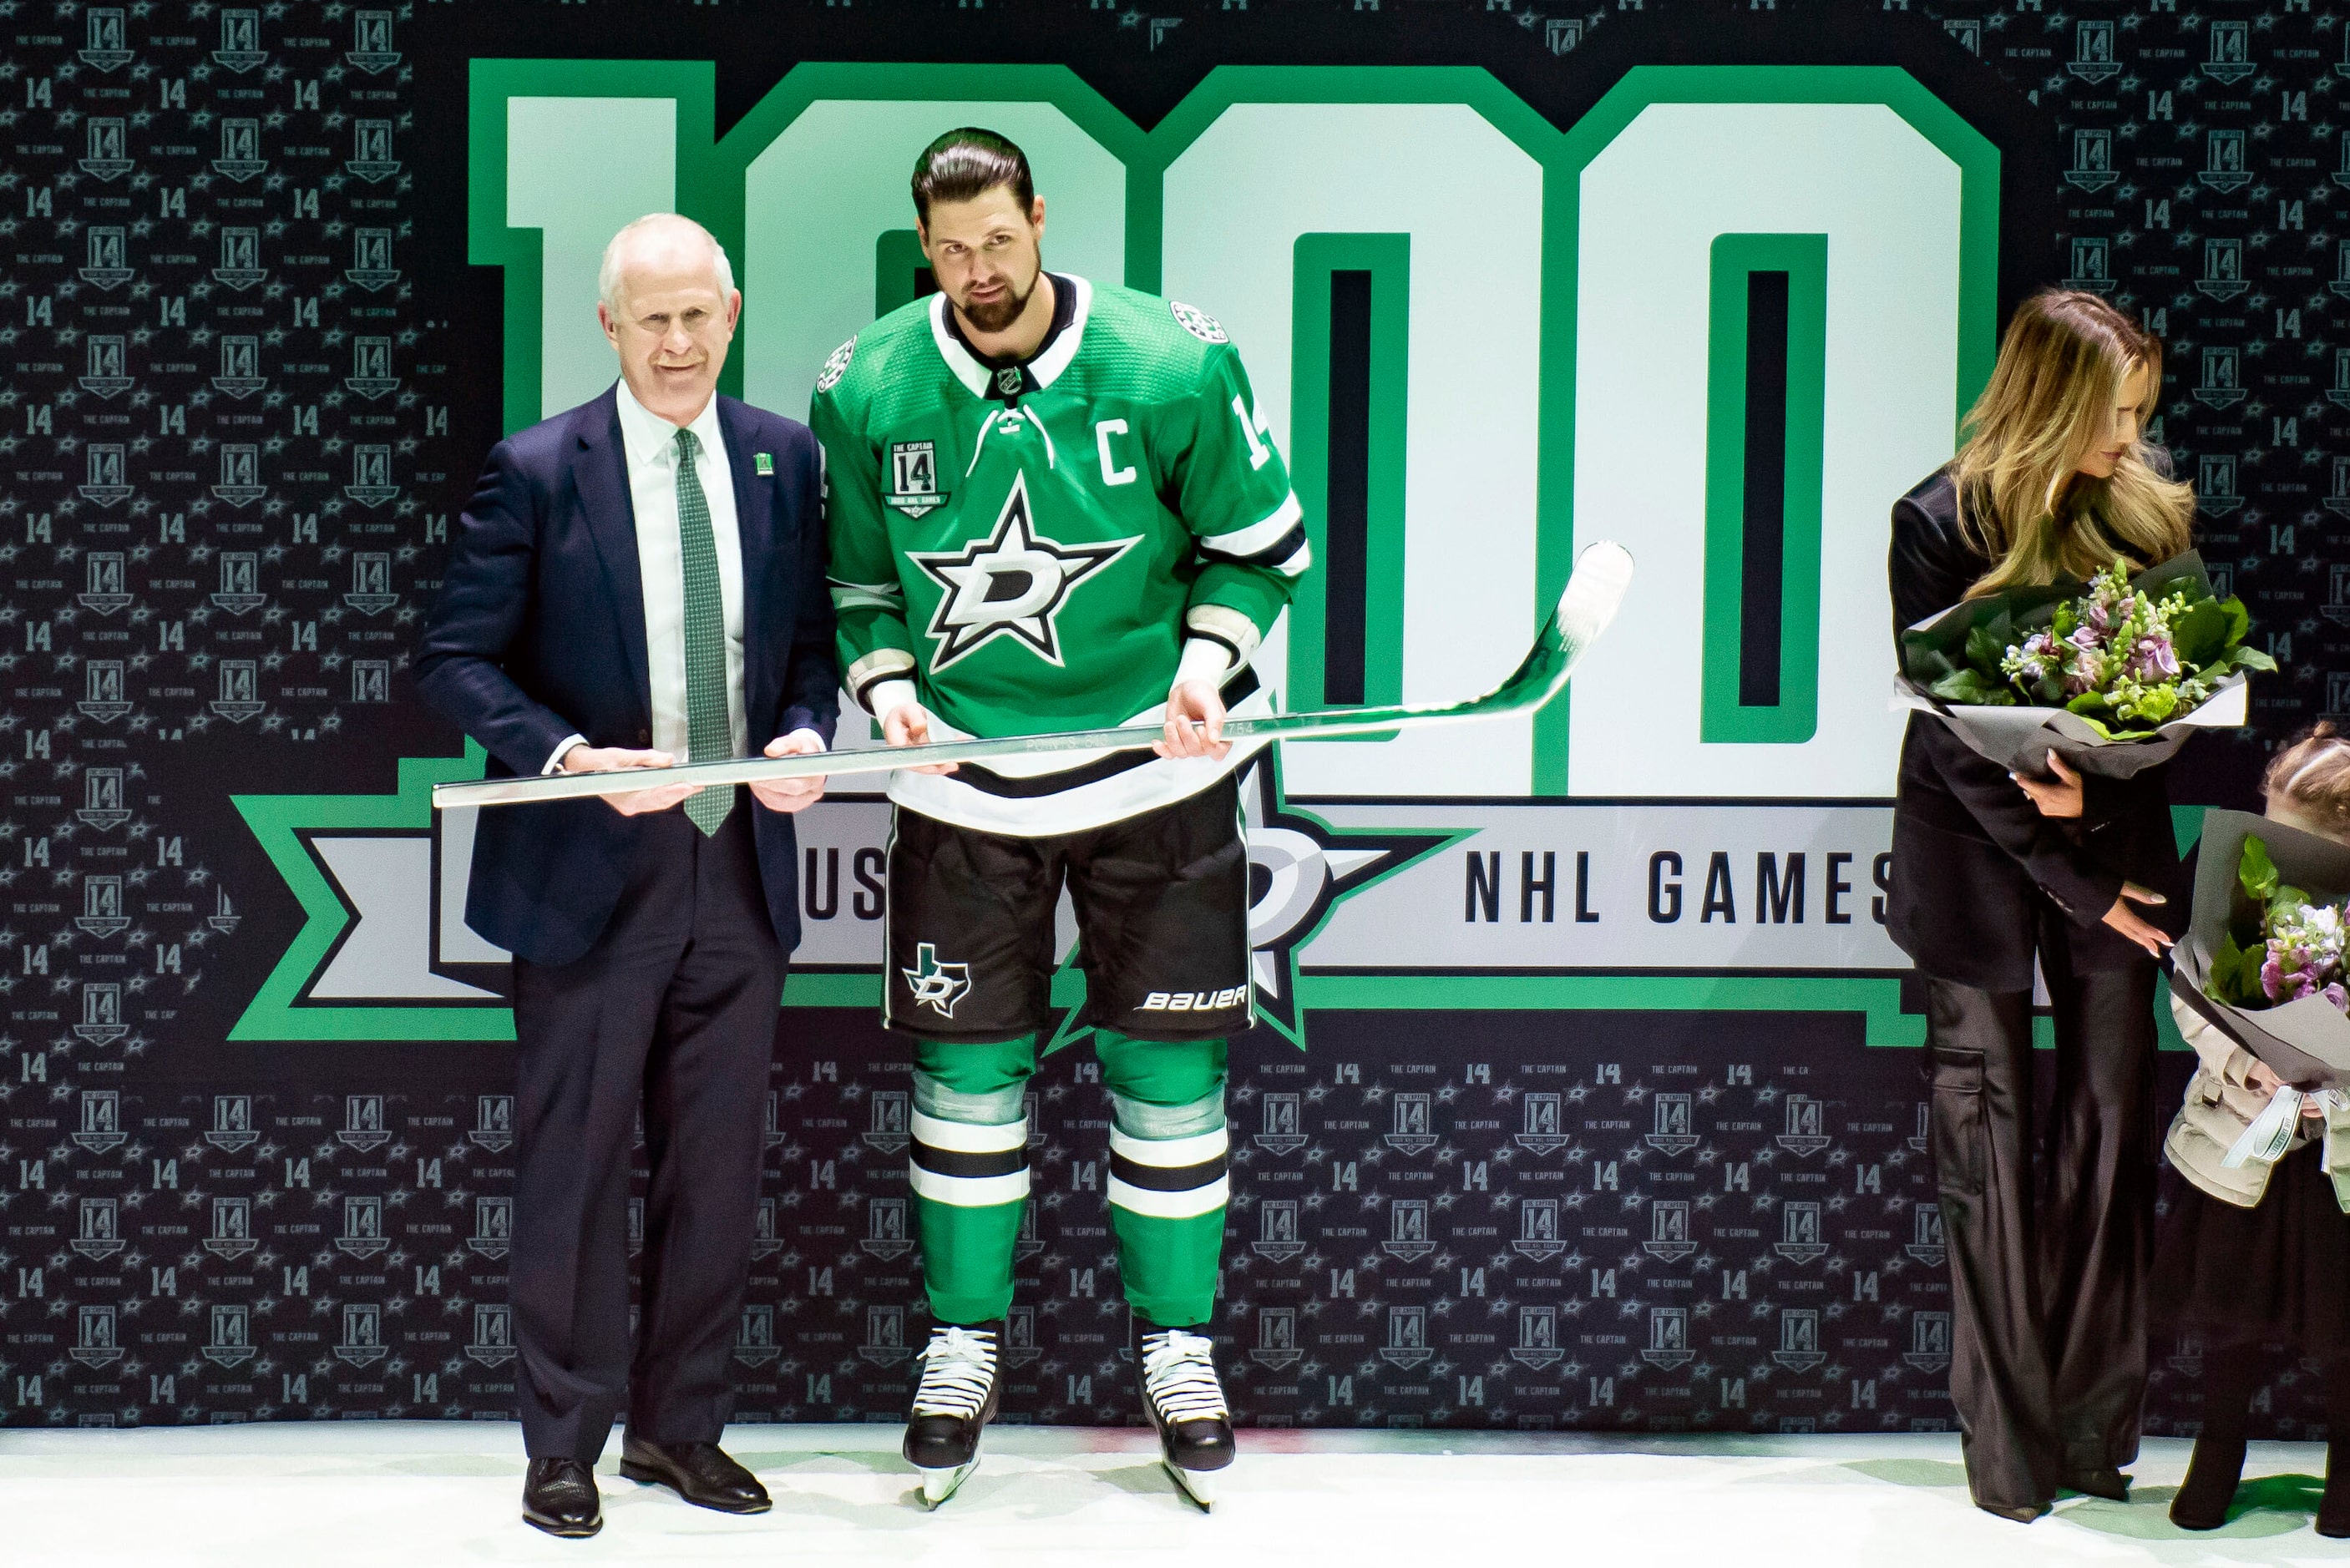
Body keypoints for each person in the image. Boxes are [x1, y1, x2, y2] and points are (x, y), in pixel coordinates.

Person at [809, 129, 1308, 1510]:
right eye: (949, 248)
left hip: (1156, 772)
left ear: (1040, 219)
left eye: (997, 240)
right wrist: (892, 691)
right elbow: (857, 589)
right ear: (924, 244)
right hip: (961, 785)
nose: (975, 271)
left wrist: (1205, 667)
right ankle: (961, 1342)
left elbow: (1261, 548)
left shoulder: (1168, 362)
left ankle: (1178, 1349)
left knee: (1166, 1083)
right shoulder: (868, 385)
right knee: (966, 1086)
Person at [415, 214, 837, 1540]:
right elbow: (456, 659)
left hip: (741, 863)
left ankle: (678, 1429)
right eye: (649, 318)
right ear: (608, 326)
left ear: (731, 313)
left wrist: (811, 732)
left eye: (696, 315)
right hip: (593, 867)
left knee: (716, 1170)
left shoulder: (781, 459)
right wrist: (572, 755)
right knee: (578, 1165)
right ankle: (564, 1443)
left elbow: (812, 643)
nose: (676, 342)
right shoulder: (538, 469)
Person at [1887, 288, 2194, 1521]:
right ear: (2053, 401)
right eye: (2116, 416)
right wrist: (2063, 857)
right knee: (1984, 1145)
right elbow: (1951, 728)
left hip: (2112, 850)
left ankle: (2088, 1433)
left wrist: (2101, 809)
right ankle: (2004, 1454)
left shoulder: (2147, 511)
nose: (2132, 441)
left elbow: (2181, 691)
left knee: (2111, 1135)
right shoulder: (1932, 517)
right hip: (1979, 857)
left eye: (2141, 415)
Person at [2156, 723, 2350, 1536]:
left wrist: (2333, 1090)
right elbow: (2191, 996)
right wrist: (2253, 1068)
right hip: (2243, 1133)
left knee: (2343, 1323)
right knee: (2227, 1308)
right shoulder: (2233, 871)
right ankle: (2220, 1446)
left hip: (2335, 1153)